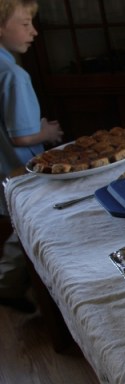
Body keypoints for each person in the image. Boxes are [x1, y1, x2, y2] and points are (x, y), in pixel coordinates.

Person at [0, 0, 63, 312]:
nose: (34, 32)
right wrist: (45, 133)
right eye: (25, 24)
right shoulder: (14, 74)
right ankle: (9, 285)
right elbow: (21, 136)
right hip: (17, 167)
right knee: (29, 225)